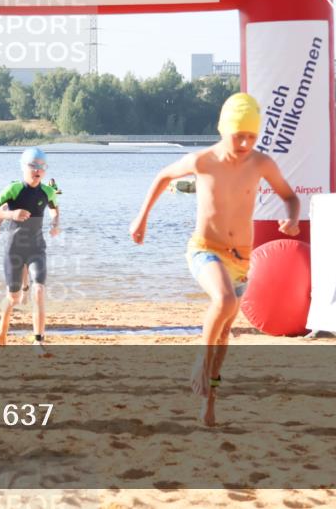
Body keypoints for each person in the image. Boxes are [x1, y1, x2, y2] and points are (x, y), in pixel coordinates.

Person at [129, 93, 300, 427]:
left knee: (223, 336)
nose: (246, 143)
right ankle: (200, 362)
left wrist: (292, 219)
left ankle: (209, 404)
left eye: (252, 136)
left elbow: (290, 197)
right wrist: (142, 218)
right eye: (239, 136)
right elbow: (163, 177)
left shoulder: (261, 163)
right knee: (221, 301)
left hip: (241, 260)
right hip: (204, 249)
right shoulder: (202, 161)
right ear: (224, 130)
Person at [0, 146, 60, 356]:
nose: (38, 170)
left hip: (37, 247)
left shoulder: (48, 191)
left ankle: (38, 340)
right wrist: (12, 214)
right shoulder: (14, 189)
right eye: (33, 165)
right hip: (14, 249)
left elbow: (54, 207)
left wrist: (55, 223)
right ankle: (2, 326)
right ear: (24, 167)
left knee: (38, 290)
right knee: (14, 298)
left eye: (42, 166)